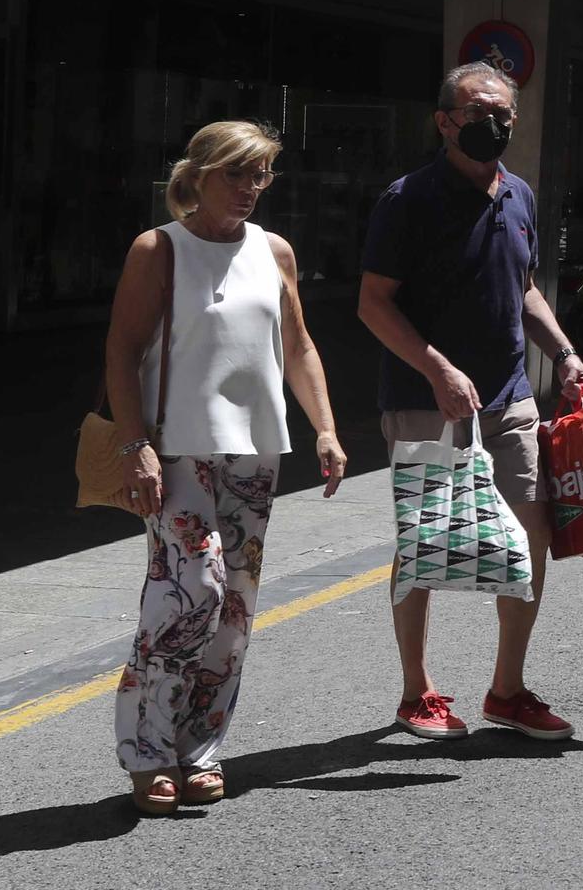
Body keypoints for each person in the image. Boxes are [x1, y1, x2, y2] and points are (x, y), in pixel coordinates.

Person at [104, 120, 347, 816]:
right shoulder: (160, 250)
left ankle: (200, 748)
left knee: (235, 604)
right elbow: (121, 352)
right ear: (200, 173)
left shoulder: (274, 251)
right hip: (175, 448)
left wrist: (325, 429)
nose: (250, 189)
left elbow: (297, 346)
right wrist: (133, 446)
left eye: (262, 174)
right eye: (237, 173)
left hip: (254, 447)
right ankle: (148, 750)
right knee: (191, 591)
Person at [358, 63, 583, 745]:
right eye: (476, 113)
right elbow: (373, 303)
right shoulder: (408, 199)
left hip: (509, 398)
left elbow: (523, 288)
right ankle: (415, 692)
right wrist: (435, 367)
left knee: (530, 536)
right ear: (444, 122)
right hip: (425, 400)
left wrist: (565, 354)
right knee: (427, 544)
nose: (493, 124)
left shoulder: (519, 194)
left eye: (503, 113)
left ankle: (508, 690)